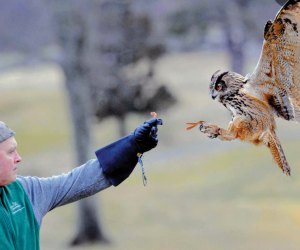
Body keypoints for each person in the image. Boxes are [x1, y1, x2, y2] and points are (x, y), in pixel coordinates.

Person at [0, 118, 162, 250]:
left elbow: (78, 181)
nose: (18, 157)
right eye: (10, 152)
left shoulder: (25, 191)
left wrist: (132, 146)